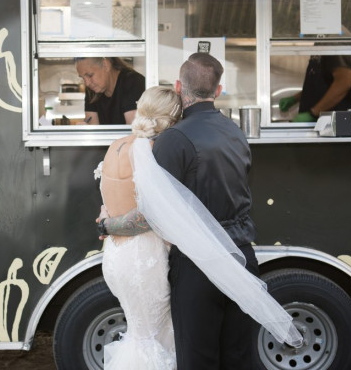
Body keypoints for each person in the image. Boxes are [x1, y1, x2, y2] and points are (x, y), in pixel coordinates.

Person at [98, 53, 301, 369]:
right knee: (237, 357)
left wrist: (109, 225)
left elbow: (152, 214)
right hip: (241, 259)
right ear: (218, 91)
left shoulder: (173, 139)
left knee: (198, 359)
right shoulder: (236, 132)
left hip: (198, 267)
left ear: (179, 87)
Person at [97, 86, 182, 370]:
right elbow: (151, 216)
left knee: (141, 335)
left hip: (114, 256)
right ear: (172, 119)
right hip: (143, 259)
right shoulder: (152, 152)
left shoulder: (116, 145)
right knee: (151, 340)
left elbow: (107, 203)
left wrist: (107, 224)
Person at [279, 53, 351, 122]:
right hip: (322, 122)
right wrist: (294, 99)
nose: (300, 29)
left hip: (341, 123)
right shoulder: (321, 42)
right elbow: (322, 84)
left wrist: (313, 113)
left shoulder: (336, 40)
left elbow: (343, 83)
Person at [75, 57, 145, 125]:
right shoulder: (92, 90)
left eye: (90, 75)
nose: (87, 83)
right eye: (83, 78)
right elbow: (93, 127)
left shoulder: (133, 82)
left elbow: (134, 131)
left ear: (106, 65)